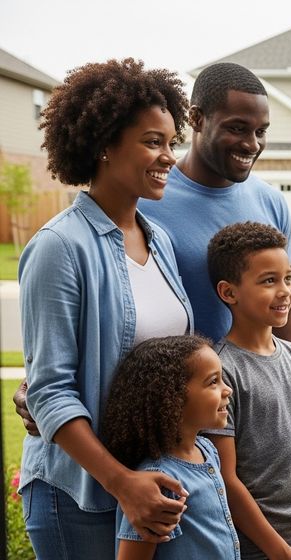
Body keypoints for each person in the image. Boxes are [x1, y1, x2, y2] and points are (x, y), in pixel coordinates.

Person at [17, 58, 193, 558]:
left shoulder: (158, 241)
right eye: (153, 142)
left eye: (171, 142)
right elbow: (50, 391)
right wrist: (121, 482)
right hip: (81, 493)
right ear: (103, 145)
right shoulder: (60, 246)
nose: (170, 157)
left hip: (150, 481)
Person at [137, 61, 291, 345]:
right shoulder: (147, 201)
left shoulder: (271, 202)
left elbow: (287, 303)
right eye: (237, 128)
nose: (252, 144)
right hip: (176, 384)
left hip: (253, 385)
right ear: (197, 118)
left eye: (260, 131)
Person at [204, 222, 291, 560]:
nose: (285, 291)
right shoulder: (221, 371)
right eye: (269, 281)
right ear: (229, 293)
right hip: (253, 548)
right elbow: (225, 479)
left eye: (288, 278)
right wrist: (278, 550)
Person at [101, 335, 239, 560]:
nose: (227, 390)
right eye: (213, 381)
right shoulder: (160, 482)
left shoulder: (207, 450)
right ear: (173, 397)